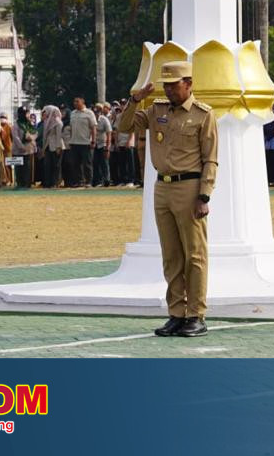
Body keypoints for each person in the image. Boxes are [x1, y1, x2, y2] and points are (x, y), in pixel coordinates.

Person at [118, 61, 217, 338]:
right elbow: (124, 126)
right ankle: (177, 313)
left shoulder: (203, 115)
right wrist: (135, 99)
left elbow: (211, 159)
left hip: (190, 188)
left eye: (175, 85)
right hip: (162, 187)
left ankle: (196, 315)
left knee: (194, 255)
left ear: (189, 83)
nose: (170, 90)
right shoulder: (157, 110)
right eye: (167, 86)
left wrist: (204, 195)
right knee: (171, 256)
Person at [67, 97, 96, 188]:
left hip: (85, 142)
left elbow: (93, 128)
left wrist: (93, 140)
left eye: (77, 101)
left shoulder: (89, 113)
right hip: (74, 142)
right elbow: (71, 128)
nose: (75, 103)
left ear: (82, 102)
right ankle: (78, 181)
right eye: (74, 102)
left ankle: (88, 182)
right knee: (75, 164)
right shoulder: (73, 113)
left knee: (87, 163)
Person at [40, 105, 65, 188]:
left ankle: (56, 182)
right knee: (47, 165)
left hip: (56, 146)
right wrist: (43, 149)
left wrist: (58, 147)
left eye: (45, 112)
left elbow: (59, 135)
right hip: (48, 146)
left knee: (56, 165)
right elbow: (45, 136)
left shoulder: (58, 122)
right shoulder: (47, 122)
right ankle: (48, 183)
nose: (44, 114)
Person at [12, 106, 37, 188]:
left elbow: (35, 132)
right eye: (24, 113)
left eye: (27, 113)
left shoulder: (30, 124)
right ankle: (20, 183)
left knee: (28, 167)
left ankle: (27, 183)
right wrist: (22, 146)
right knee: (19, 168)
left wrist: (32, 137)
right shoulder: (16, 124)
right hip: (18, 150)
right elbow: (16, 137)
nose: (26, 115)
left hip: (29, 150)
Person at [92, 103, 113, 187]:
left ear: (100, 112)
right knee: (95, 163)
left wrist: (108, 148)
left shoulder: (104, 120)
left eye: (98, 111)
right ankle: (97, 181)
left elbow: (109, 134)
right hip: (95, 145)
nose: (96, 113)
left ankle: (106, 180)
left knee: (104, 163)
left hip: (103, 144)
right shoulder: (92, 119)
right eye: (95, 111)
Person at [0, 114, 14, 187]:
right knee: (1, 165)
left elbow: (12, 137)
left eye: (4, 117)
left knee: (8, 165)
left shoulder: (9, 127)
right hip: (0, 148)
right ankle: (4, 180)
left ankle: (10, 180)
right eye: (1, 117)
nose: (2, 119)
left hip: (8, 148)